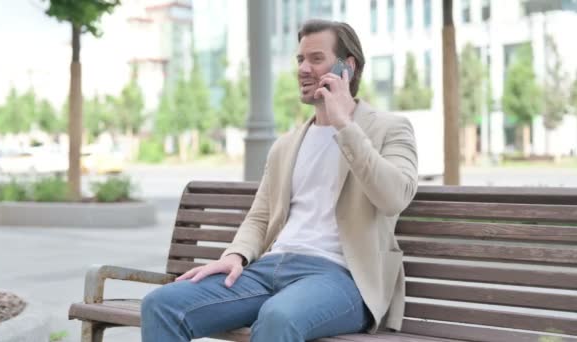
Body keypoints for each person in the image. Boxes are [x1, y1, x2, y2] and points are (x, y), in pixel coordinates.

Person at [141, 19, 418, 342]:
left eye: (316, 59)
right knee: (161, 304)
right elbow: (260, 216)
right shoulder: (286, 145)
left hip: (342, 278)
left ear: (348, 67)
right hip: (268, 270)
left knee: (278, 317)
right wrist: (235, 255)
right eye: (300, 59)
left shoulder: (390, 128)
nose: (303, 68)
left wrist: (344, 124)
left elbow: (394, 197)